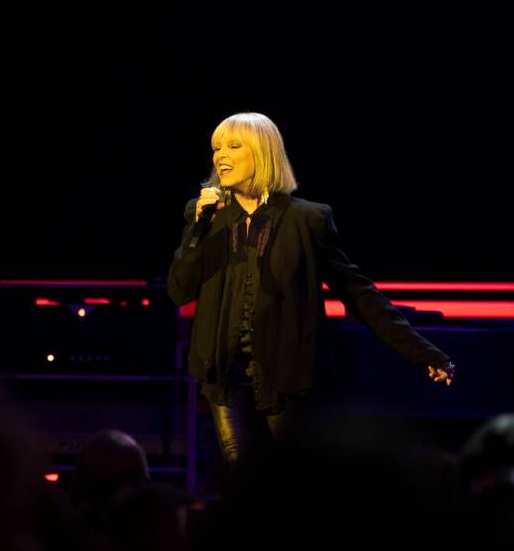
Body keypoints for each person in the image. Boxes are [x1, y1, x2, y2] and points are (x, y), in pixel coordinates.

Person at [166, 112, 455, 465]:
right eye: (216, 148)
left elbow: (358, 293)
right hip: (225, 376)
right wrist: (198, 232)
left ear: (262, 153)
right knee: (243, 480)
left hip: (287, 376)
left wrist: (422, 352)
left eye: (233, 146)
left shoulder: (307, 219)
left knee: (292, 480)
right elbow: (179, 290)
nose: (220, 156)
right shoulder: (206, 217)